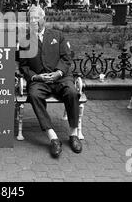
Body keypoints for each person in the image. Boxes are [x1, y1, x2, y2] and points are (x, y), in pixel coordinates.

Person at [19, 14, 82, 158]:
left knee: (72, 92)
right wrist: (35, 77)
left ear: (44, 20)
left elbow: (66, 58)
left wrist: (59, 73)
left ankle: (73, 134)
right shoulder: (25, 40)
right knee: (34, 95)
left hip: (60, 78)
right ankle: (53, 137)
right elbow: (23, 66)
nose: (35, 21)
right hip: (39, 80)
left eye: (37, 18)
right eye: (31, 19)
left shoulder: (57, 35)